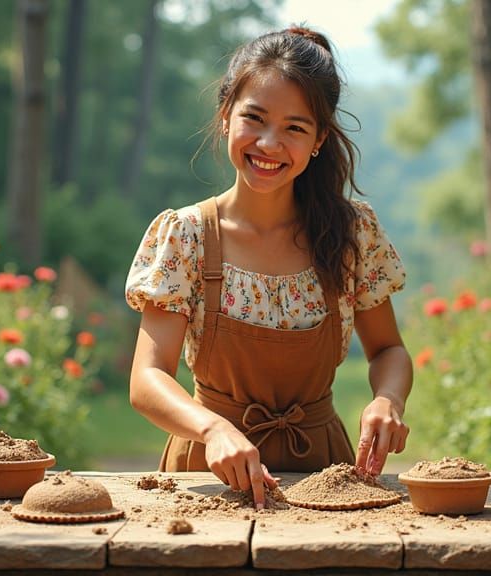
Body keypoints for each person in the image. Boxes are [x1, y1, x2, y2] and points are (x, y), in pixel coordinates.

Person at [124, 26, 412, 509]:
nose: (269, 144)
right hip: (207, 472)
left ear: (319, 139)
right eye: (253, 119)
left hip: (325, 472)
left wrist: (388, 399)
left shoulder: (351, 234)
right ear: (225, 117)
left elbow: (388, 349)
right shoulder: (186, 236)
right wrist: (213, 429)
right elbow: (147, 378)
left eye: (295, 128)